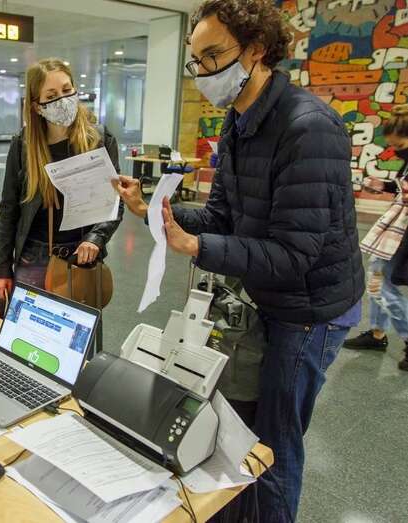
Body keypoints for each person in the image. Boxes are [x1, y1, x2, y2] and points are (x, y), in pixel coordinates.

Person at [113, 1, 363, 521]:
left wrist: (199, 247)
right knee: (239, 427)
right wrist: (156, 210)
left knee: (273, 441)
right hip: (263, 293)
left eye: (214, 56)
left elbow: (296, 254)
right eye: (196, 59)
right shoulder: (238, 119)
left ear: (255, 50)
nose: (203, 72)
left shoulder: (308, 126)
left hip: (308, 309)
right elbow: (224, 212)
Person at [0, 58, 123, 300]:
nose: (63, 100)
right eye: (51, 95)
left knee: (77, 336)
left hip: (82, 259)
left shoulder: (99, 139)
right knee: (30, 335)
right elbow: (8, 209)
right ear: (37, 106)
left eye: (67, 90)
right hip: (33, 258)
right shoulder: (23, 145)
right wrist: (3, 267)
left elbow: (115, 200)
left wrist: (96, 238)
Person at [344, 105, 408, 372]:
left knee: (380, 285)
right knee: (378, 277)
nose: (396, 149)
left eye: (400, 144)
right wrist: (384, 185)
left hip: (403, 232)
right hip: (397, 227)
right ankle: (378, 334)